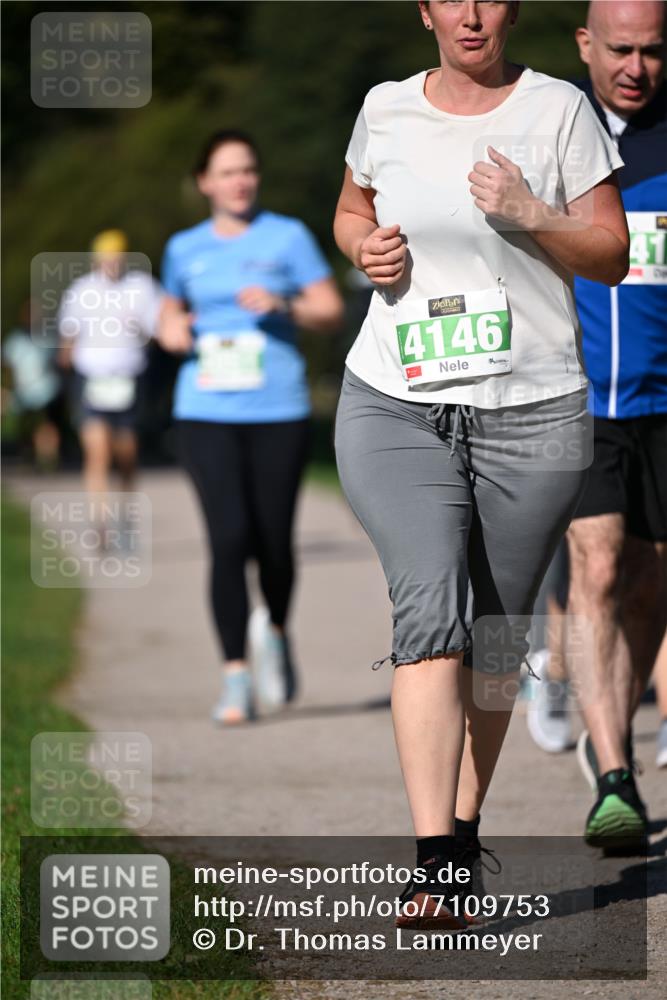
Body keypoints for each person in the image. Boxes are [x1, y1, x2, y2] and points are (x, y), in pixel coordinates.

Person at [333, 0, 628, 927]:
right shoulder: (384, 106)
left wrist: (531, 213)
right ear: (423, 11)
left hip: (532, 413)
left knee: (495, 641)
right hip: (396, 400)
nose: (470, 12)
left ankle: (463, 827)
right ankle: (434, 864)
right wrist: (362, 250)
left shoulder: (558, 111)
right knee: (432, 612)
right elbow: (350, 211)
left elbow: (611, 255)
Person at [158, 129, 343, 726]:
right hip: (205, 410)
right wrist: (172, 330)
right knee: (228, 538)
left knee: (274, 545)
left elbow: (330, 308)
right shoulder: (185, 247)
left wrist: (284, 304)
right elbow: (167, 310)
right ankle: (235, 677)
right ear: (205, 182)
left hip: (277, 409)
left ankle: (279, 633)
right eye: (227, 172)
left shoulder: (287, 236)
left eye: (248, 171)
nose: (240, 181)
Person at [565, 0, 666, 851]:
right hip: (577, 400)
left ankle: (616, 736)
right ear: (585, 45)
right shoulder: (550, 129)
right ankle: (612, 776)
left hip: (664, 402)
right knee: (596, 567)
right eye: (620, 50)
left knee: (646, 583)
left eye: (654, 52)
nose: (636, 68)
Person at [58, 230, 162, 505]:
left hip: (129, 376)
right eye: (106, 258)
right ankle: (100, 519)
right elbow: (69, 333)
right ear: (96, 260)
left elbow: (157, 330)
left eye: (116, 258)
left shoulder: (142, 287)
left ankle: (125, 508)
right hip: (91, 377)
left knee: (126, 451)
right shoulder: (82, 290)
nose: (111, 264)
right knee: (97, 451)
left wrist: (139, 328)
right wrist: (64, 361)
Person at [2, 299, 63, 469]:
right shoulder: (15, 341)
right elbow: (8, 367)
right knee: (27, 428)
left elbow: (58, 362)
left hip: (47, 392)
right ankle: (29, 455)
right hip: (24, 393)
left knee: (47, 426)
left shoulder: (49, 338)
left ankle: (48, 458)